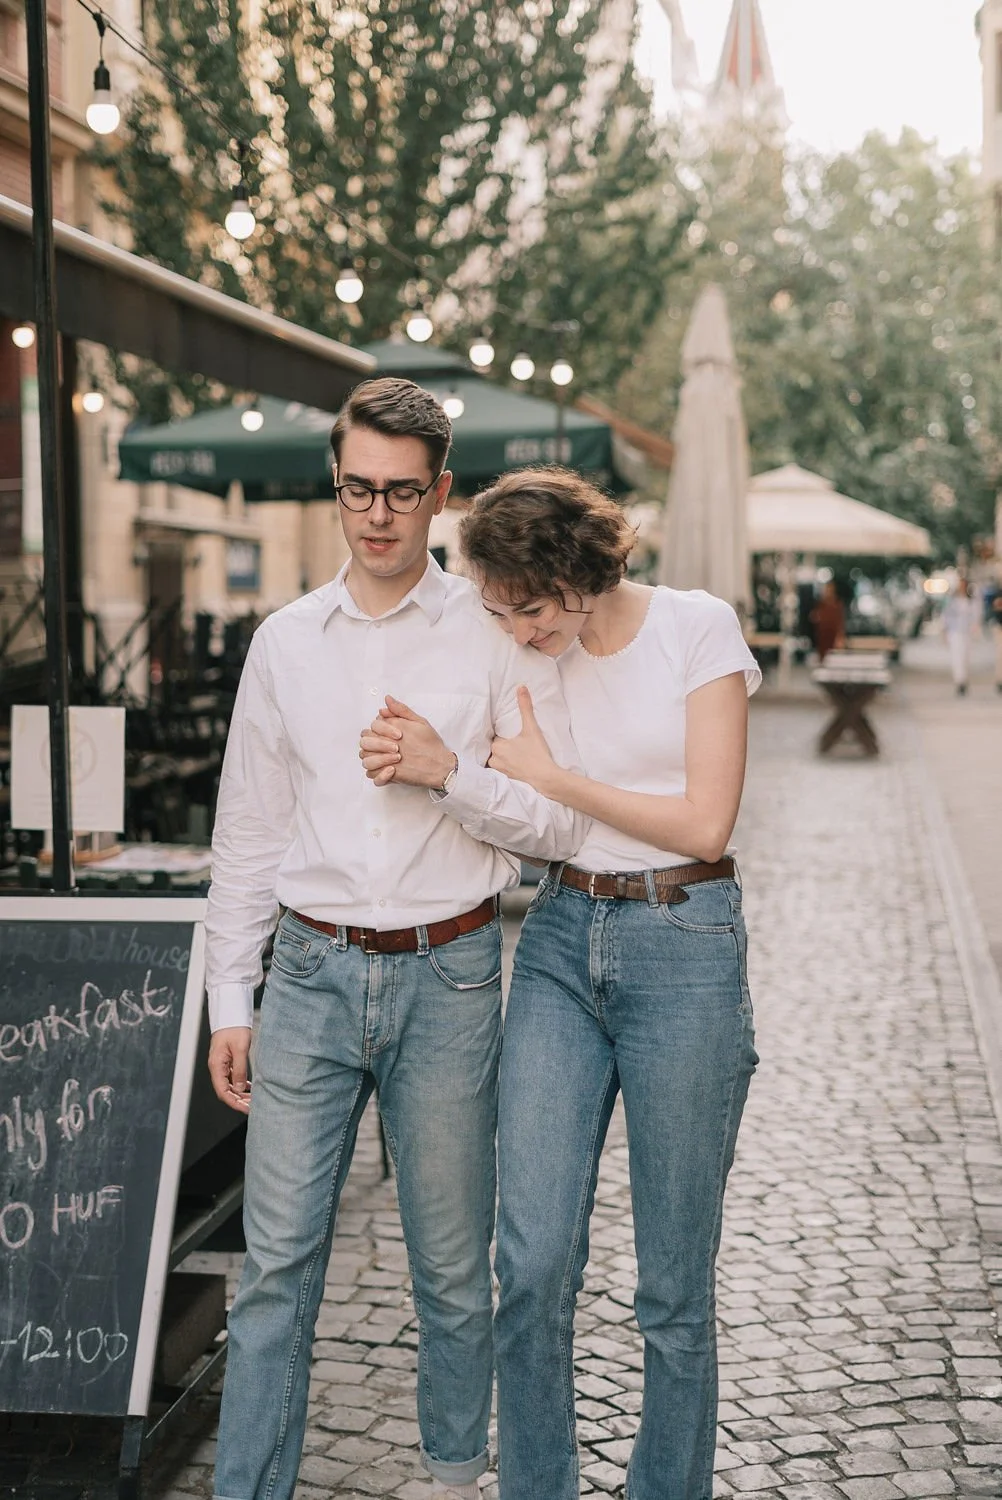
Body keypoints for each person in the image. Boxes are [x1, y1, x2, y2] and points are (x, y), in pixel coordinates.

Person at [204, 382, 586, 1500]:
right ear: (338, 487)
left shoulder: (492, 635)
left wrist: (447, 772)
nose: (378, 513)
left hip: (452, 974)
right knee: (274, 1270)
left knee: (454, 1275)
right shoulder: (283, 644)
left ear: (442, 495)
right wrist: (235, 998)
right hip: (310, 977)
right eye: (358, 488)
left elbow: (554, 823)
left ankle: (450, 1478)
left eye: (402, 491)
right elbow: (249, 832)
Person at [361, 468, 761, 1500]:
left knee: (673, 1285)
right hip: (558, 939)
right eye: (497, 608)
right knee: (530, 1262)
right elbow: (521, 811)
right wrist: (453, 764)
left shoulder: (696, 628)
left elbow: (703, 822)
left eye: (529, 607)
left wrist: (556, 780)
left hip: (686, 941)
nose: (519, 629)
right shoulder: (521, 652)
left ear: (581, 569)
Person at [942, 577, 980, 696]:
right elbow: (946, 616)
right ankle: (959, 681)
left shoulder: (971, 601)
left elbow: (976, 616)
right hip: (955, 631)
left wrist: (975, 628)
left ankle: (964, 679)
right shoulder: (952, 600)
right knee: (956, 657)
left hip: (967, 632)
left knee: (965, 657)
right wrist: (944, 631)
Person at [809, 578, 846, 661]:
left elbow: (840, 622)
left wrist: (840, 637)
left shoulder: (837, 604)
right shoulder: (820, 604)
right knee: (823, 659)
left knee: (834, 658)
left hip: (833, 637)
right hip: (822, 637)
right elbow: (814, 618)